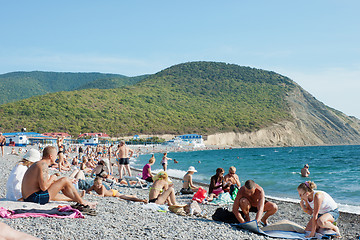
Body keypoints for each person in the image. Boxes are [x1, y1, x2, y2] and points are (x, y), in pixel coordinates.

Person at [21, 146, 97, 208]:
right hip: (34, 198)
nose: (56, 158)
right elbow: (44, 187)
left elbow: (42, 185)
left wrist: (54, 181)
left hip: (29, 197)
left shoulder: (39, 163)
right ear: (51, 156)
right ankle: (82, 202)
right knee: (65, 180)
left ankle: (78, 199)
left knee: (63, 183)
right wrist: (52, 178)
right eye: (55, 156)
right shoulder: (43, 165)